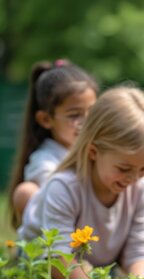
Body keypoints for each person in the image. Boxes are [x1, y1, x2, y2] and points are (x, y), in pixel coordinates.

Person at [17, 86, 144, 279]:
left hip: (95, 259)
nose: (134, 178)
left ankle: (98, 277)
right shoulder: (64, 186)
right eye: (124, 168)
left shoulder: (141, 187)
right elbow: (59, 259)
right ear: (93, 152)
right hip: (48, 265)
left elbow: (138, 248)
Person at [7, 60, 98, 229]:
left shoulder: (102, 150)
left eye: (92, 112)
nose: (85, 122)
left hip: (97, 226)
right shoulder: (44, 160)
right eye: (74, 115)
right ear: (46, 119)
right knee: (25, 192)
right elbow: (58, 196)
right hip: (63, 228)